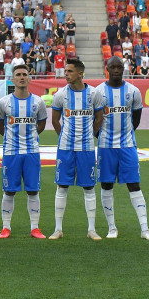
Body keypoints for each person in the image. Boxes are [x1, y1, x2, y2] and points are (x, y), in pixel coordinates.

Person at [96, 57, 149, 240]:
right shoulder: (98, 92)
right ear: (107, 69)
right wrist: (103, 137)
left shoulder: (134, 91)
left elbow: (136, 119)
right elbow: (95, 120)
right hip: (106, 146)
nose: (116, 70)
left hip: (127, 145)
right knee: (107, 185)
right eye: (112, 67)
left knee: (134, 184)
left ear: (124, 69)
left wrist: (125, 135)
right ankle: (112, 227)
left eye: (119, 67)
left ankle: (145, 228)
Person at [49, 59, 105, 240]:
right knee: (62, 186)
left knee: (89, 187)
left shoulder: (94, 94)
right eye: (65, 71)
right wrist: (63, 137)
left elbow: (99, 118)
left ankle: (91, 230)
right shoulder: (60, 95)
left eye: (70, 71)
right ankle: (58, 229)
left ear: (80, 73)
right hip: (65, 148)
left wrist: (90, 134)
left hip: (87, 148)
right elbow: (55, 120)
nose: (66, 74)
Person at [0, 65, 48, 239]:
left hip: (32, 151)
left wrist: (29, 138)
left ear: (29, 78)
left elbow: (40, 124)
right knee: (9, 191)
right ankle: (5, 227)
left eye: (25, 74)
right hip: (11, 152)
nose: (22, 77)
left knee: (33, 190)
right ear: (13, 78)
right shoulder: (4, 102)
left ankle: (35, 228)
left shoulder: (38, 102)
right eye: (18, 74)